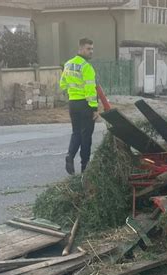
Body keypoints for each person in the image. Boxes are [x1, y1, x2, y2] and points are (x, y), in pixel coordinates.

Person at [59, 38, 99, 174]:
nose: (91, 52)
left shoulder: (68, 64)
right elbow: (90, 91)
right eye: (88, 49)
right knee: (86, 137)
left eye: (92, 49)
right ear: (80, 49)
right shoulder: (86, 67)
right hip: (85, 105)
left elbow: (62, 84)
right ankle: (84, 168)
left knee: (76, 132)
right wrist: (94, 109)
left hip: (73, 104)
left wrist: (73, 91)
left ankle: (70, 156)